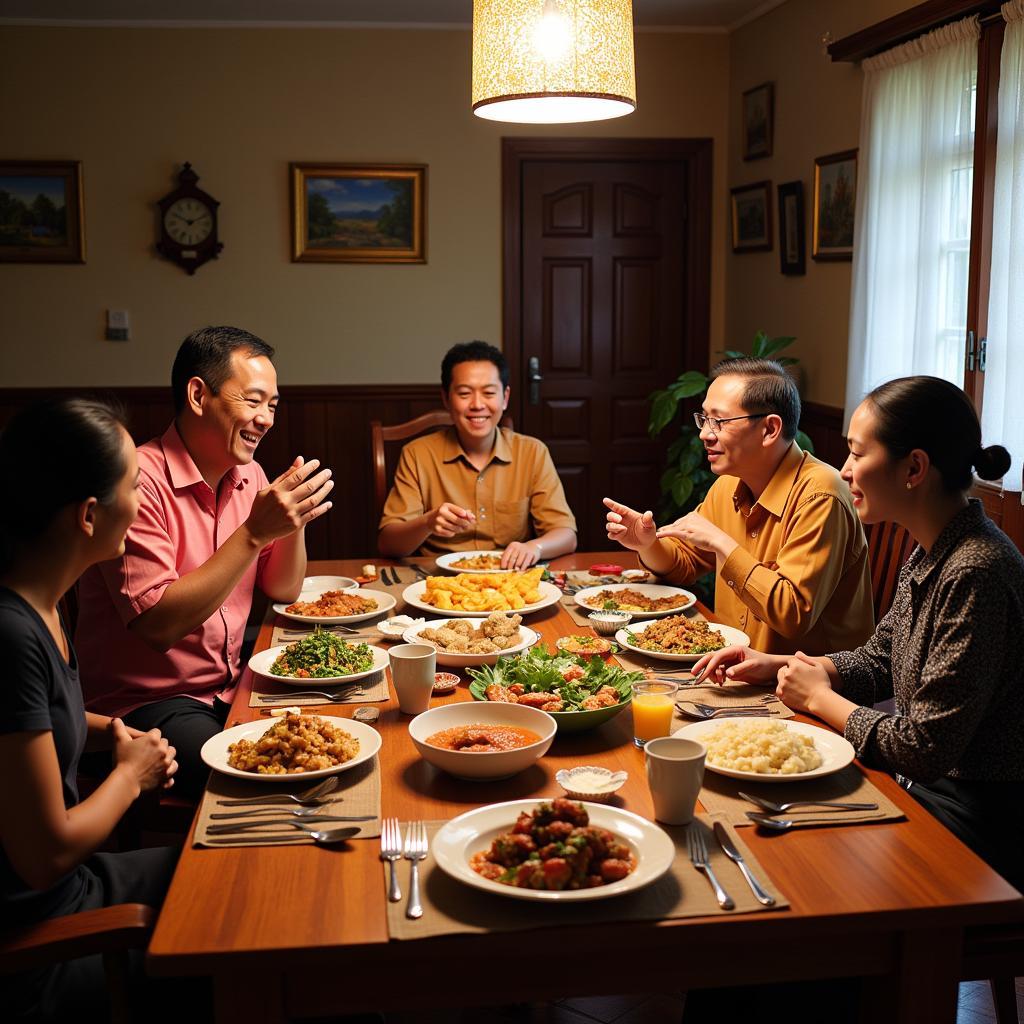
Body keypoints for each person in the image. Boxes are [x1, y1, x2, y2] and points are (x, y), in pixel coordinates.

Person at [693, 375, 1023, 891]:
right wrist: (786, 666)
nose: (843, 470)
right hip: (924, 785)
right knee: (751, 827)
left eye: (856, 453)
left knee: (793, 866)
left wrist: (822, 700)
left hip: (977, 816)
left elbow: (923, 748)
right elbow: (882, 657)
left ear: (913, 468)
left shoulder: (977, 570)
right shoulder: (935, 548)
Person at [75, 326, 333, 798]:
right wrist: (256, 531)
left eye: (273, 406)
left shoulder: (250, 474)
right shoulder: (137, 478)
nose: (266, 419)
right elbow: (157, 626)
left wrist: (293, 518)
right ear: (198, 395)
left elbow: (284, 590)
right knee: (264, 780)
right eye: (253, 401)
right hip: (143, 706)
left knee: (328, 739)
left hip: (230, 684)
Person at [0, 399, 181, 1022]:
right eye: (135, 485)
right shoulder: (12, 634)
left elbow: (41, 726)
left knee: (251, 872)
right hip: (39, 946)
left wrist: (117, 732)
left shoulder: (46, 602)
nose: (144, 499)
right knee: (260, 940)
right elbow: (44, 852)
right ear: (87, 515)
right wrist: (132, 775)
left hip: (73, 892)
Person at [604, 357, 874, 655]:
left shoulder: (821, 494)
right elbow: (685, 565)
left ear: (770, 429)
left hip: (806, 687)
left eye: (719, 421)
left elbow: (793, 615)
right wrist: (647, 544)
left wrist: (722, 543)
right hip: (733, 667)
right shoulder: (730, 484)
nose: (705, 433)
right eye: (704, 418)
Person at [378, 340, 577, 569]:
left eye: (489, 393)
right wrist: (428, 522)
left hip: (510, 580)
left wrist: (535, 547)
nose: (477, 404)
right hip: (438, 582)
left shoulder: (532, 452)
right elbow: (388, 543)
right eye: (464, 393)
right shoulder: (417, 454)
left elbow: (566, 534)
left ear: (505, 398)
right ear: (446, 398)